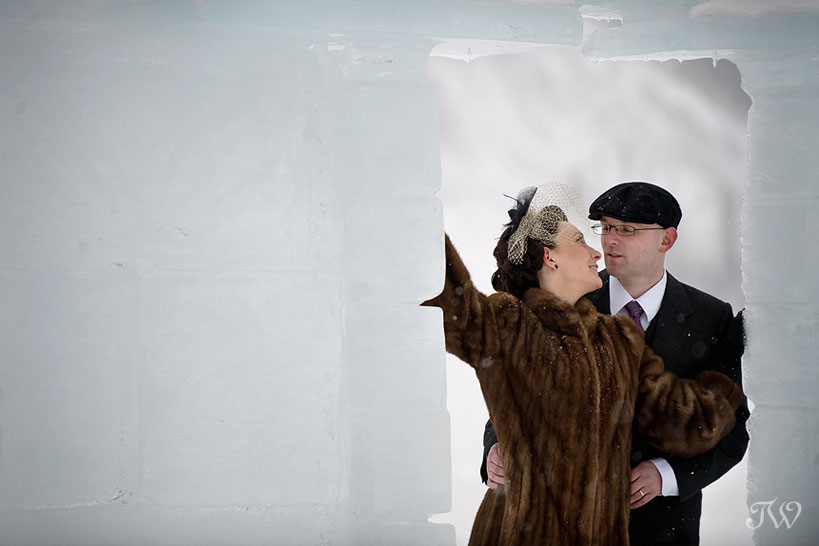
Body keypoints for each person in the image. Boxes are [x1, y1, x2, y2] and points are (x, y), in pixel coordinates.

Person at [423, 182, 744, 546]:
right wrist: (411, 209)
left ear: (666, 239)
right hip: (522, 532)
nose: (600, 249)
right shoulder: (511, 320)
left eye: (625, 230)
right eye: (592, 235)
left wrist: (729, 360)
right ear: (550, 257)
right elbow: (457, 311)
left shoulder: (619, 339)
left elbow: (687, 420)